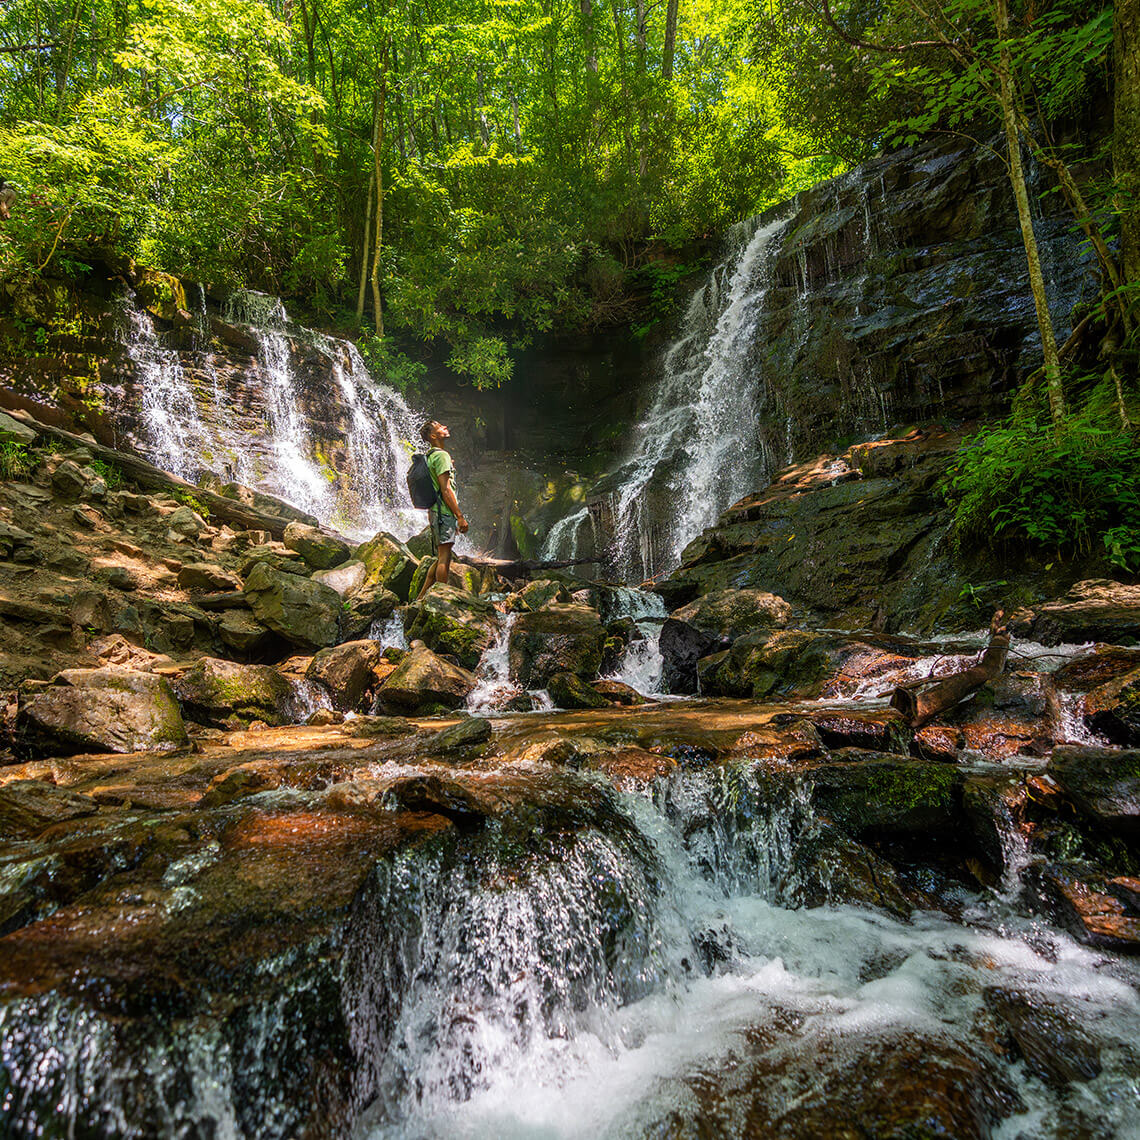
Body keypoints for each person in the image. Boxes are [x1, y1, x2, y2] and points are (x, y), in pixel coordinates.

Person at [416, 418, 468, 598]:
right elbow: (446, 490)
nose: (445, 426)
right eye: (439, 426)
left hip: (435, 512)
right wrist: (459, 516)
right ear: (433, 435)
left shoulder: (431, 455)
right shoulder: (442, 456)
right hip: (443, 513)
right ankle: (441, 598)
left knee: (440, 556)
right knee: (444, 558)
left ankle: (421, 597)